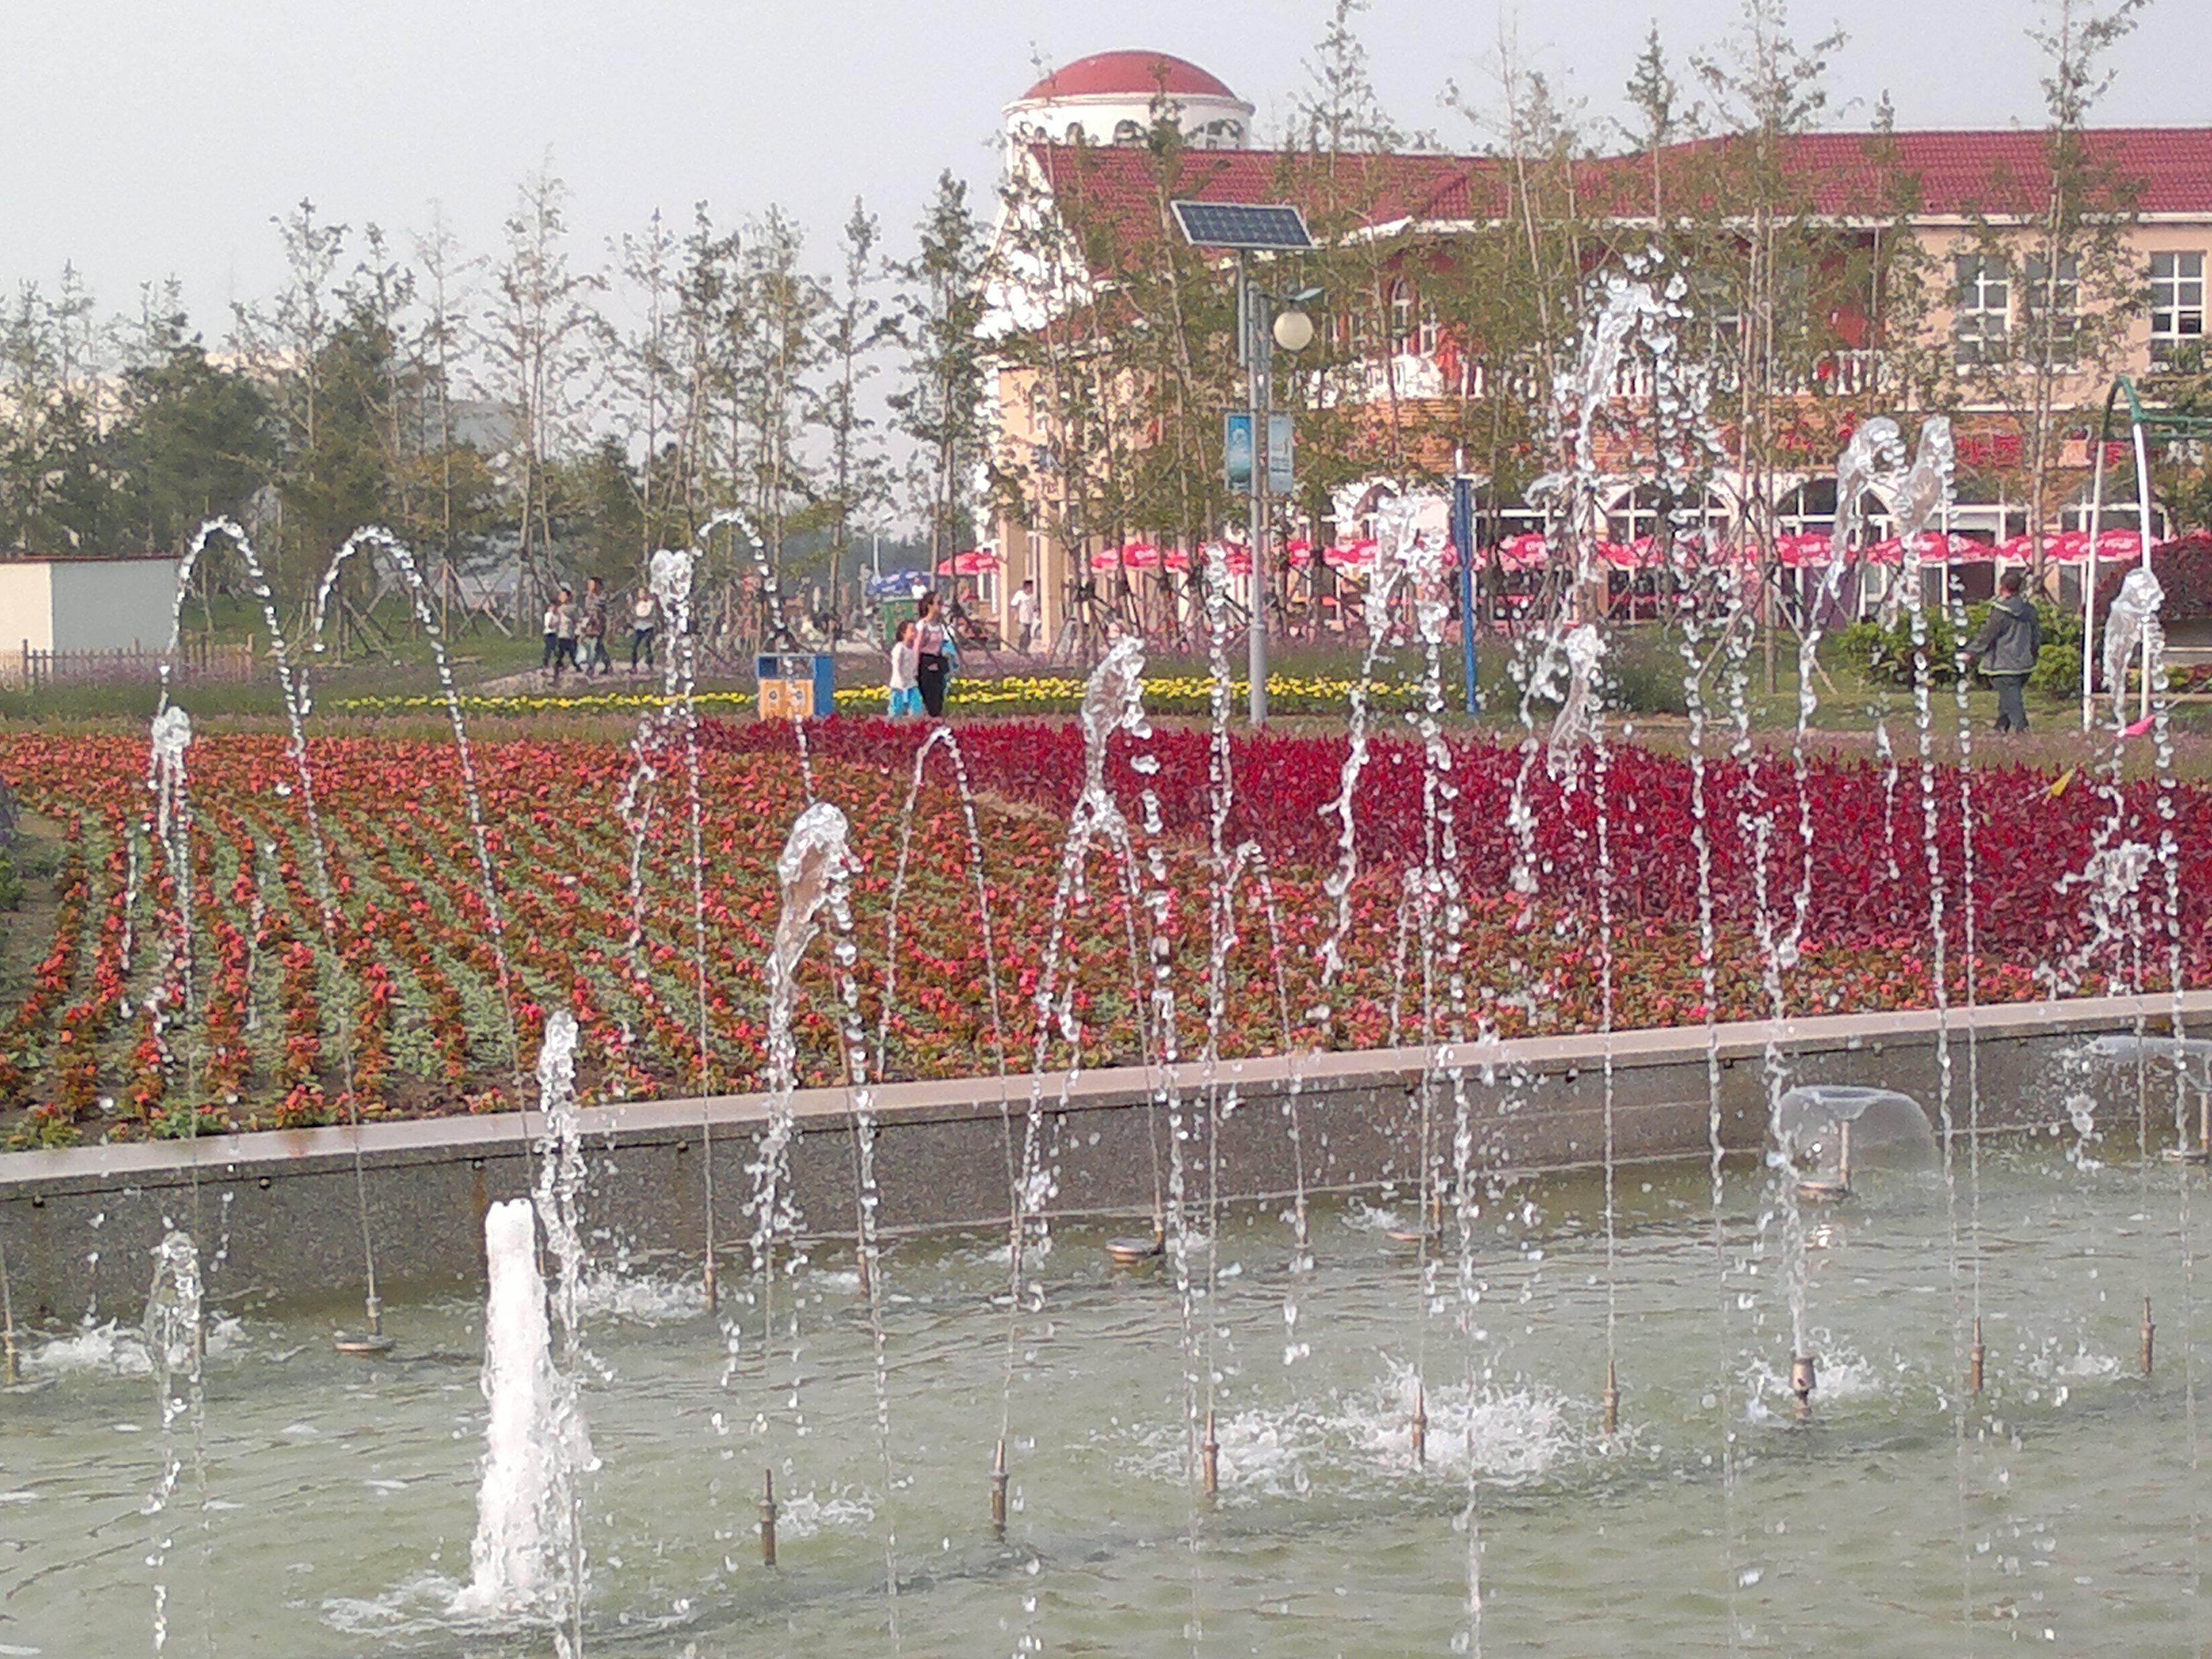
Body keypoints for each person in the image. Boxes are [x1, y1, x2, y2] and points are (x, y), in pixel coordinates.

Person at [1964, 568, 2045, 733]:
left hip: (2003, 663)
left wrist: (1971, 651)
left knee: (2012, 698)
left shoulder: (2000, 612)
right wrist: (2033, 653)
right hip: (2024, 662)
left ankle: (2022, 729)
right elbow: (2036, 635)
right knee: (2009, 695)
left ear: (2002, 588)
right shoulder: (2029, 610)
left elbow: (1987, 635)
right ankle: (2001, 727)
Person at [914, 591, 951, 718]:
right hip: (926, 662)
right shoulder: (923, 626)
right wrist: (914, 669)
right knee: (930, 697)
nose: (941, 606)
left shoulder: (939, 626)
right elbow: (917, 648)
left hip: (938, 662)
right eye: (939, 603)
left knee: (939, 696)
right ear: (930, 606)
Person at [887, 618, 922, 717]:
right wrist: (902, 681)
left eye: (916, 630)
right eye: (912, 630)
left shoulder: (913, 648)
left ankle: (915, 723)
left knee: (916, 706)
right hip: (899, 685)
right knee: (896, 709)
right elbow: (897, 665)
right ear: (903, 633)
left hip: (911, 682)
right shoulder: (899, 648)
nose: (915, 633)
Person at [579, 577, 611, 676]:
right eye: (589, 584)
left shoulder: (603, 596)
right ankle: (607, 664)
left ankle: (591, 667)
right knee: (598, 646)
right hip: (590, 624)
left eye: (592, 584)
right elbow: (586, 611)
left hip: (600, 624)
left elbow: (604, 608)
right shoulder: (587, 598)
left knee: (595, 645)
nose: (590, 587)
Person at [630, 587, 659, 673]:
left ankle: (650, 665)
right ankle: (634, 666)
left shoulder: (651, 603)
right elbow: (634, 614)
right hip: (639, 627)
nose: (642, 595)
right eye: (640, 593)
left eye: (643, 593)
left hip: (648, 626)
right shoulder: (637, 604)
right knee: (634, 646)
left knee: (647, 645)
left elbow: (647, 614)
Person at [1010, 578, 1039, 654]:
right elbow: (1014, 605)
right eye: (1031, 587)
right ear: (1027, 587)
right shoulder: (1020, 595)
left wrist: (1037, 614)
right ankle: (1021, 648)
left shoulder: (1032, 597)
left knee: (1028, 636)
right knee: (1023, 633)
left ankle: (1025, 649)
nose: (1032, 589)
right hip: (1021, 618)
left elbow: (1035, 607)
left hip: (1029, 619)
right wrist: (1016, 615)